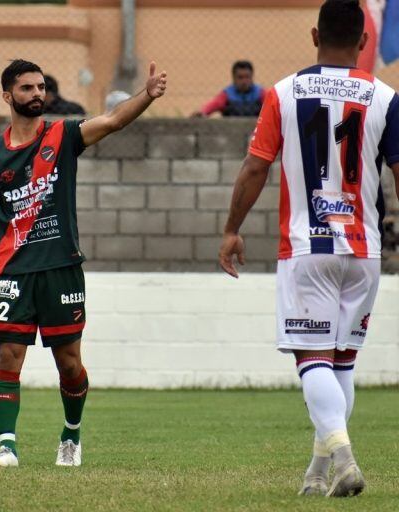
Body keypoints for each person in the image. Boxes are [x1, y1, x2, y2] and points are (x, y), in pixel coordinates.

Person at [0, 59, 166, 468]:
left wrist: (146, 96)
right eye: (26, 88)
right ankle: (7, 447)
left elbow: (114, 119)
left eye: (41, 87)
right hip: (13, 270)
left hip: (61, 267)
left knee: (69, 364)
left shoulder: (63, 135)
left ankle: (71, 434)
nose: (37, 94)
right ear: (8, 96)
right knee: (8, 355)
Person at [218, 0, 399, 498]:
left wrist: (232, 227)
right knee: (341, 362)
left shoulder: (282, 92)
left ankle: (343, 458)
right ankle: (318, 472)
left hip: (306, 247)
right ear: (364, 41)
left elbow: (256, 167)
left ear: (314, 36)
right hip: (364, 251)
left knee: (313, 359)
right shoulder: (386, 97)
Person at [193, 60, 265, 117]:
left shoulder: (261, 93)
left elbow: (274, 107)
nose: (244, 81)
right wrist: (202, 112)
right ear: (233, 78)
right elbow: (213, 105)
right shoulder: (227, 94)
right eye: (240, 77)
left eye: (247, 77)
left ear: (252, 77)